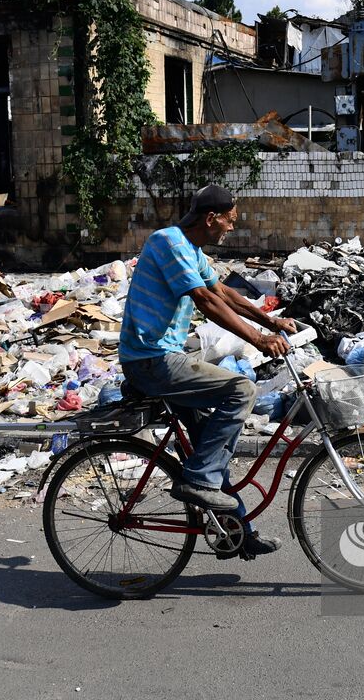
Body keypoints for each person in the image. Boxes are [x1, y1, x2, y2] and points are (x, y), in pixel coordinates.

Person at [118, 184, 296, 557]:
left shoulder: (192, 249)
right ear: (211, 218)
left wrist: (271, 322)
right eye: (229, 221)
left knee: (210, 452)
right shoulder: (169, 242)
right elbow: (204, 300)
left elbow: (224, 293)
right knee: (241, 391)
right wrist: (259, 341)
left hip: (162, 359)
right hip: (150, 360)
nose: (231, 228)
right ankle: (198, 482)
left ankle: (236, 532)